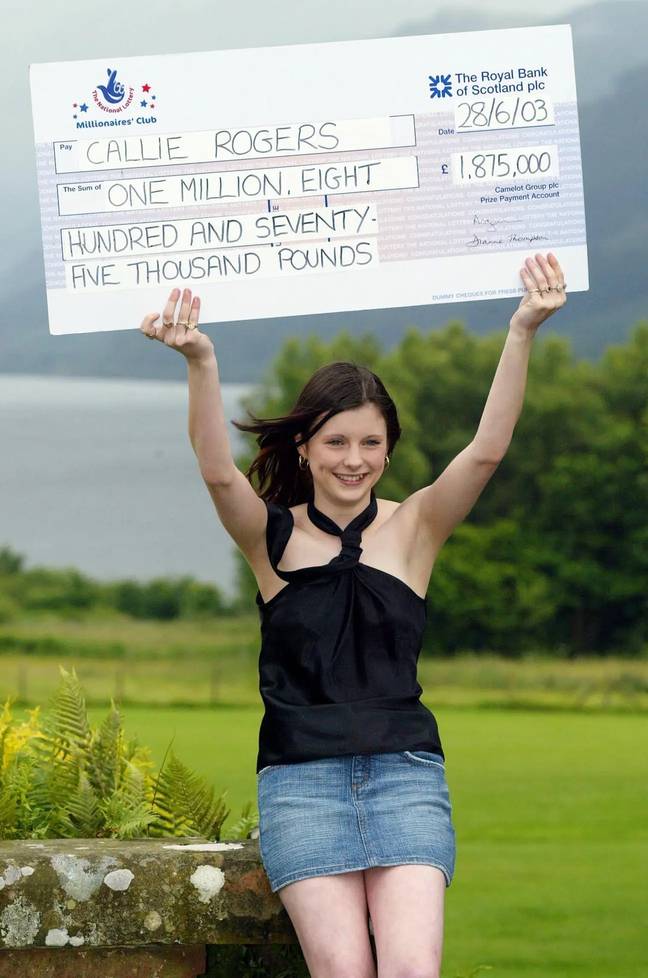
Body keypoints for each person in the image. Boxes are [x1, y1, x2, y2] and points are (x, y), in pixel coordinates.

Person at [139, 253, 567, 978]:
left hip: (405, 775)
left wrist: (523, 328)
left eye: (371, 442)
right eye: (335, 441)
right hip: (301, 785)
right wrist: (201, 361)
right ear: (303, 448)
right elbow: (217, 470)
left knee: (410, 970)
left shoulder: (418, 527)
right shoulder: (268, 538)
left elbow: (487, 452)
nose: (353, 459)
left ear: (390, 450)